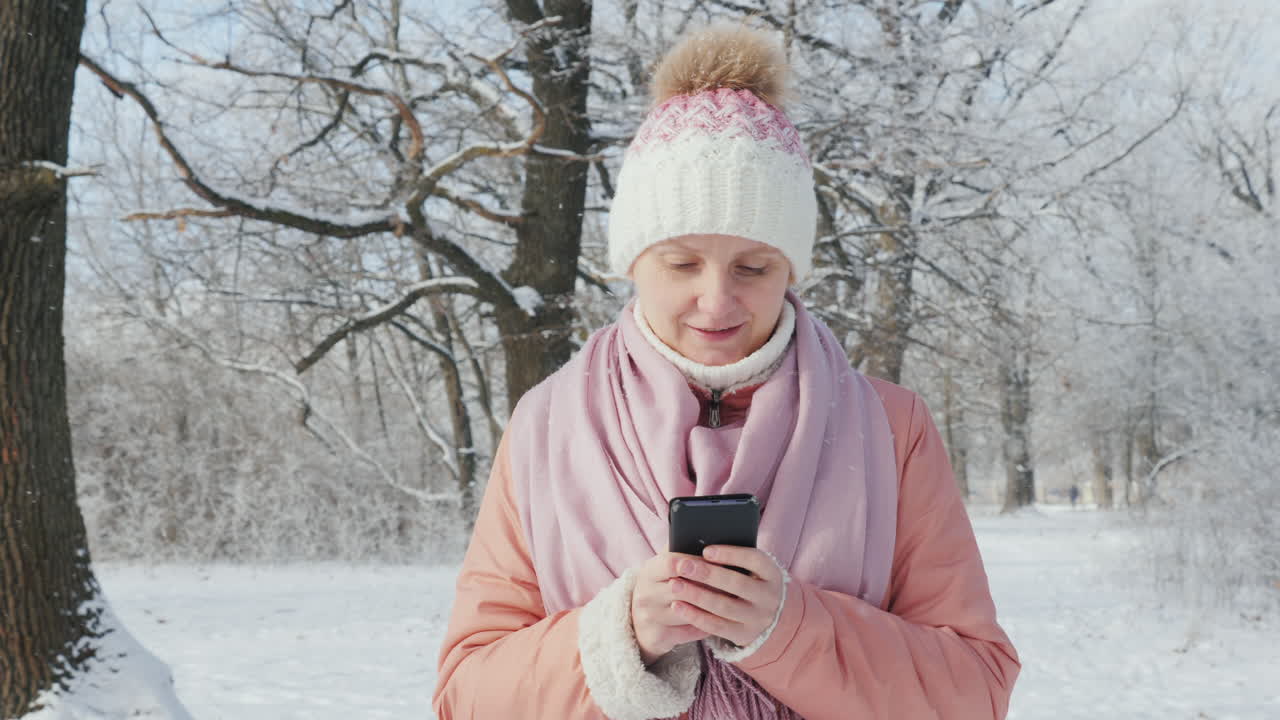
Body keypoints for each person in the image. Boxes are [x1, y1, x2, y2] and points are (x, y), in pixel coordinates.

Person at [433, 23, 1019, 720]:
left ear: (792, 267)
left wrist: (791, 630)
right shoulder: (545, 426)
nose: (716, 300)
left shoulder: (893, 430)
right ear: (632, 261)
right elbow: (464, 697)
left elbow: (975, 691)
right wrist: (616, 638)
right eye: (681, 263)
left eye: (753, 266)